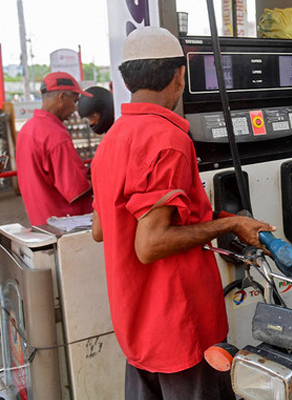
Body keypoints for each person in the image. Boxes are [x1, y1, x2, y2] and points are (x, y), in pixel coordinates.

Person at [90, 27, 274, 400]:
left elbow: (100, 228)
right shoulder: (168, 139)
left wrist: (201, 216)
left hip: (137, 326)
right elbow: (151, 242)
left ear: (128, 78)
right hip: (181, 328)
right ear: (178, 75)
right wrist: (233, 222)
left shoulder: (112, 139)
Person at [15, 72, 94, 225]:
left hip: (40, 221)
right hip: (68, 224)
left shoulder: (27, 129)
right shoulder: (56, 135)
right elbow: (76, 189)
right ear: (62, 97)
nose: (75, 108)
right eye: (75, 101)